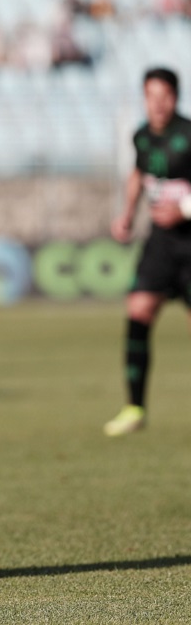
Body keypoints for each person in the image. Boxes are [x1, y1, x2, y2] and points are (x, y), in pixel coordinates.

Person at [105, 67, 191, 437]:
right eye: (150, 96)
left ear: (176, 98)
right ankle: (134, 407)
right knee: (138, 309)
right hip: (160, 243)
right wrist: (127, 214)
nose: (157, 104)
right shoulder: (141, 137)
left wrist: (184, 209)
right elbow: (139, 175)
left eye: (164, 96)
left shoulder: (189, 134)